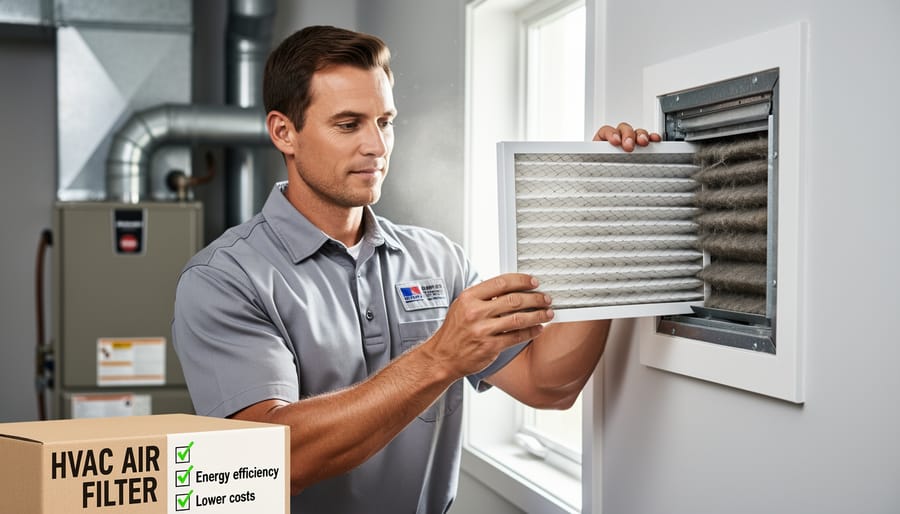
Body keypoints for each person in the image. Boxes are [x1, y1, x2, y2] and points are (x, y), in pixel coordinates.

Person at [172, 25, 658, 514]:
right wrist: (441, 357)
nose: (377, 147)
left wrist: (603, 219)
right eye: (348, 124)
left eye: (385, 121)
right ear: (284, 132)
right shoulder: (224, 279)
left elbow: (548, 384)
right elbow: (274, 459)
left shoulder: (438, 260)